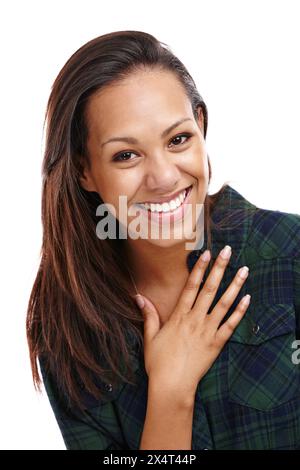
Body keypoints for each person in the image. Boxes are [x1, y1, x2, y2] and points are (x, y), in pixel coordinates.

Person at [26, 30, 300, 450]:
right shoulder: (69, 332)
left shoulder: (289, 253)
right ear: (84, 170)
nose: (164, 177)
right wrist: (171, 394)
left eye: (178, 140)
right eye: (126, 155)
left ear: (201, 125)